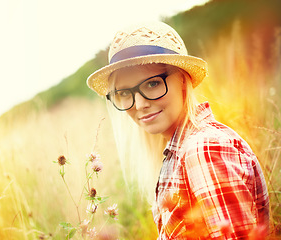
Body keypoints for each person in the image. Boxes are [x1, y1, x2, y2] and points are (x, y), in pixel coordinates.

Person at [86, 22, 270, 239]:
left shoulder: (203, 150)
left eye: (152, 84)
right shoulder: (179, 151)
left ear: (183, 79)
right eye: (125, 92)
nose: (139, 104)